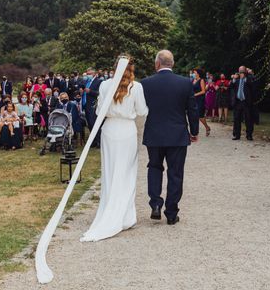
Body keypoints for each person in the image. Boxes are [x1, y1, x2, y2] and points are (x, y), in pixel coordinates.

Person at [80, 55, 148, 242]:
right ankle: (126, 216)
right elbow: (142, 111)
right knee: (126, 172)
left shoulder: (104, 85)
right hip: (126, 130)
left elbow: (98, 110)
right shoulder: (137, 87)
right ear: (131, 68)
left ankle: (111, 211)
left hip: (109, 129)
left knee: (110, 172)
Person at [140, 50, 199, 225]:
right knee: (175, 173)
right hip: (177, 134)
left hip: (154, 133)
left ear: (157, 63)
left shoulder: (146, 83)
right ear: (171, 64)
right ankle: (172, 213)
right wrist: (194, 131)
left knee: (154, 167)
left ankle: (156, 204)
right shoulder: (185, 83)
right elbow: (192, 109)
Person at [230, 67, 255, 141]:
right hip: (238, 102)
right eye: (240, 72)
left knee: (248, 119)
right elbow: (231, 87)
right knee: (237, 119)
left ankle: (249, 135)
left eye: (242, 72)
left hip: (246, 102)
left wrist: (246, 77)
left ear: (245, 72)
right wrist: (233, 79)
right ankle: (237, 135)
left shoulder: (249, 79)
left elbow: (252, 85)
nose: (240, 73)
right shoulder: (237, 80)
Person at [83, 68, 102, 148]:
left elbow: (99, 93)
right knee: (89, 124)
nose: (88, 75)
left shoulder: (99, 81)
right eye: (87, 74)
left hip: (93, 106)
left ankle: (99, 141)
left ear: (94, 73)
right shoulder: (87, 81)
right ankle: (93, 141)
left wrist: (90, 91)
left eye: (89, 73)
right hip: (86, 105)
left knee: (94, 123)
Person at [192, 68, 211, 137]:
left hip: (200, 99)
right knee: (194, 116)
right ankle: (195, 131)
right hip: (194, 100)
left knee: (200, 116)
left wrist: (194, 95)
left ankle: (207, 127)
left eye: (195, 72)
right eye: (193, 73)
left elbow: (203, 91)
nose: (194, 74)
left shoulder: (201, 80)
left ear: (198, 73)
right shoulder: (194, 80)